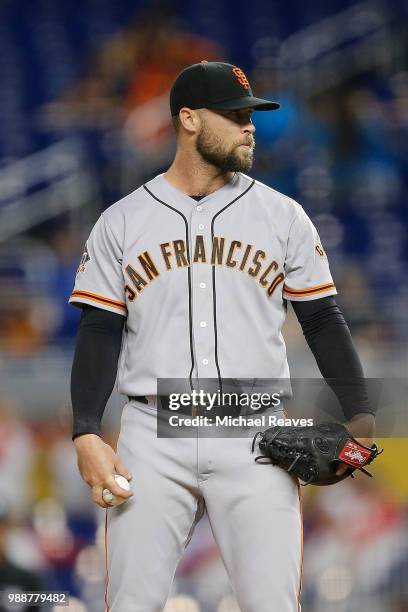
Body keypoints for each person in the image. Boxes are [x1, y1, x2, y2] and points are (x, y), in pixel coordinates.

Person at [69, 61, 375, 612]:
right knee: (130, 602)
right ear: (188, 119)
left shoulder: (283, 216)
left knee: (273, 605)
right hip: (153, 431)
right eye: (235, 116)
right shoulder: (122, 221)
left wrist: (361, 418)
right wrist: (86, 431)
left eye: (250, 116)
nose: (249, 127)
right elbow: (98, 331)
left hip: (255, 431)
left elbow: (324, 320)